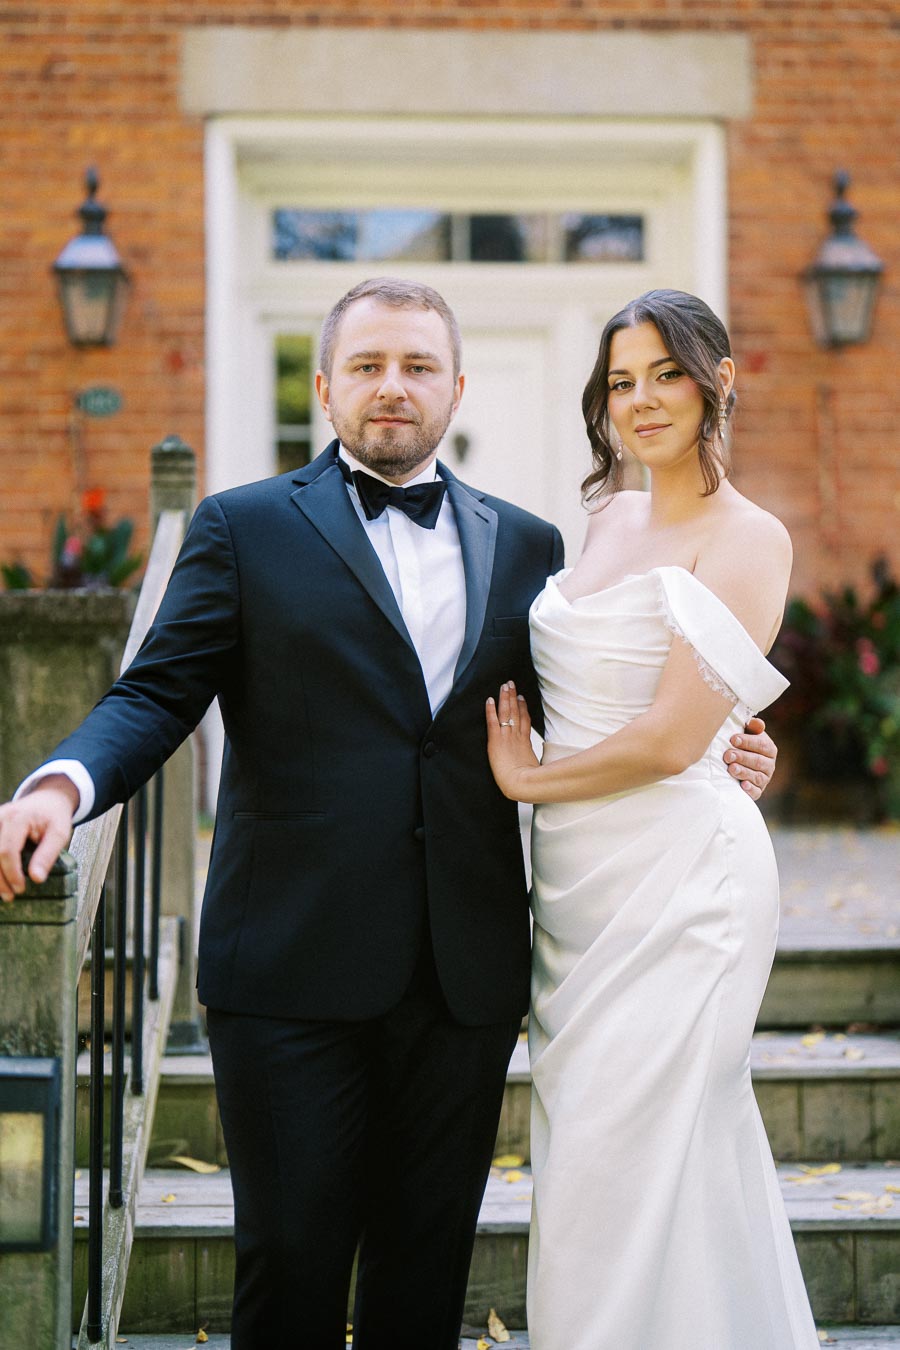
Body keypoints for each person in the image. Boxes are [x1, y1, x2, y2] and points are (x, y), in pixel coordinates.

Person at [0, 279, 777, 1349]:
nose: (392, 388)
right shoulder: (241, 529)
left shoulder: (535, 546)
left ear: (456, 387)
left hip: (461, 973)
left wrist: (729, 735)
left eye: (416, 366)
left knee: (426, 1284)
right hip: (288, 973)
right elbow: (154, 693)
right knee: (292, 1276)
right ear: (324, 387)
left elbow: (599, 706)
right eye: (367, 366)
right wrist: (59, 786)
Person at [485, 289, 819, 1348]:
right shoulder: (607, 518)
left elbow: (676, 740)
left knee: (652, 1151)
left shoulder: (751, 538)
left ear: (721, 378)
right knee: (589, 1166)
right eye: (622, 381)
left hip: (687, 890)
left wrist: (524, 781)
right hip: (579, 893)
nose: (642, 400)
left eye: (667, 373)